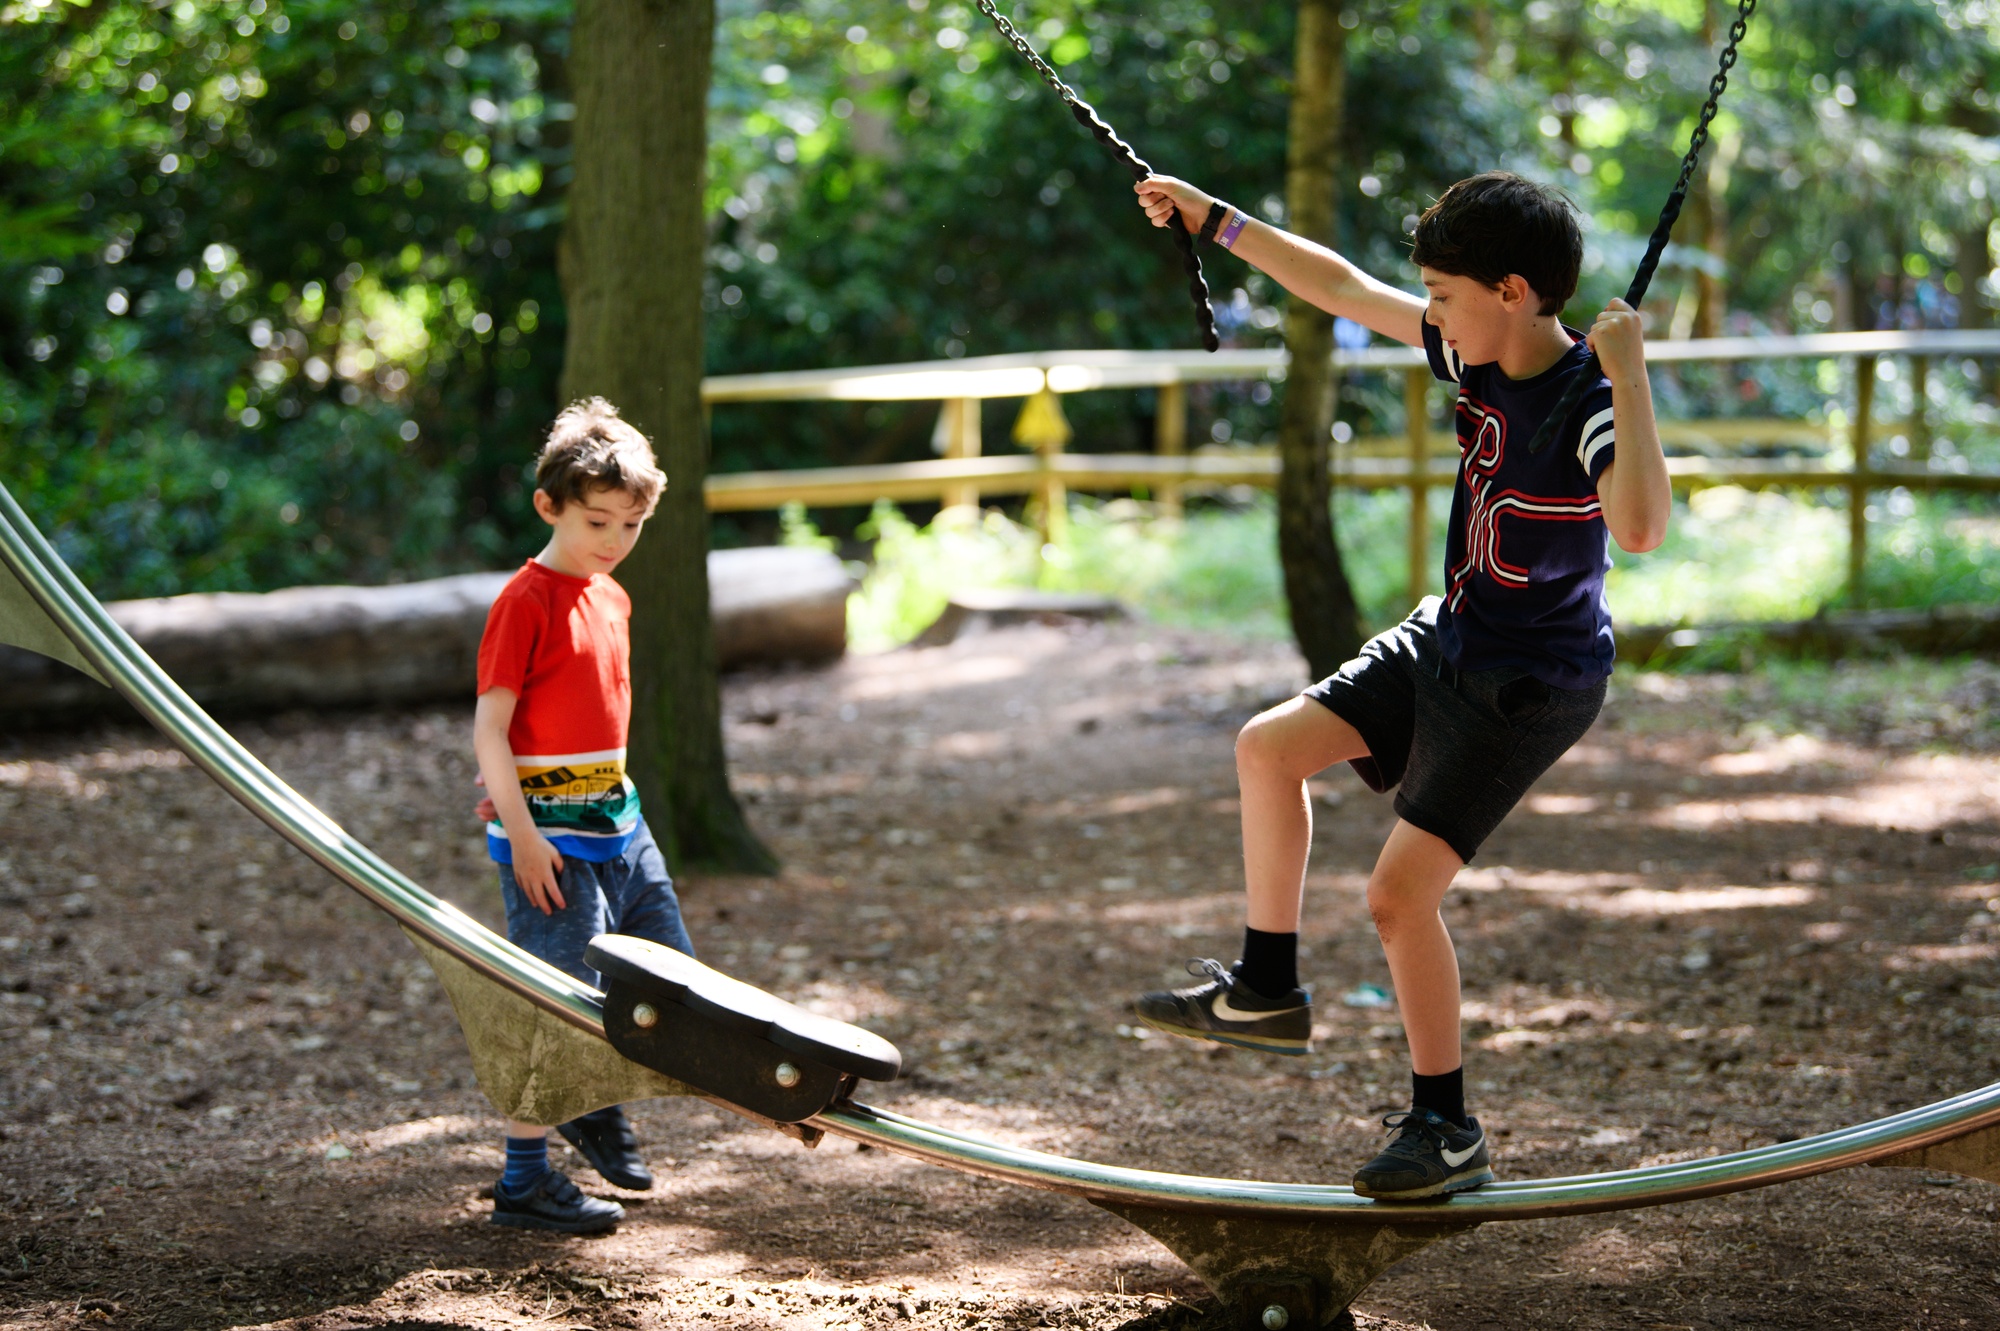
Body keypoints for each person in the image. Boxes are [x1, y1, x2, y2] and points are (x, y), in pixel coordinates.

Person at [1129, 172, 1670, 1200]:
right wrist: (1215, 221)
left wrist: (1631, 373)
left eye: (1442, 294)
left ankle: (1445, 1125)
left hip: (1530, 682)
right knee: (1267, 748)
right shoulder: (1471, 352)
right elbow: (1339, 288)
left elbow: (1640, 527)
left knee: (1395, 895)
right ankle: (1267, 986)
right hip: (1448, 634)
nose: (1429, 312)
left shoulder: (1590, 403)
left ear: (1512, 291)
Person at [471, 397, 696, 1233]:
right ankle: (524, 1179)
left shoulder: (613, 597)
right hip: (550, 845)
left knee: (671, 977)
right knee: (557, 1001)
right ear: (549, 505)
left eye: (631, 525)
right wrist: (523, 834)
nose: (614, 539)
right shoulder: (525, 601)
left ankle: (594, 1100)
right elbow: (490, 728)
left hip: (619, 825)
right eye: (598, 521)